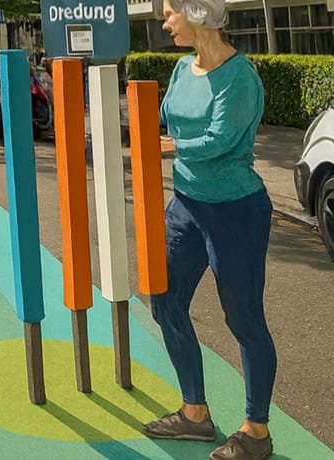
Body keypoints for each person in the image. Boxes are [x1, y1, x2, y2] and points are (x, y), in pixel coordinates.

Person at [140, 1, 275, 459]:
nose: (164, 22)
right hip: (186, 205)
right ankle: (194, 414)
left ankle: (256, 431)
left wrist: (170, 145)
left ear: (197, 13)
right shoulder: (182, 69)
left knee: (244, 319)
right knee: (165, 301)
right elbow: (162, 117)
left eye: (170, 13)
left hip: (236, 210)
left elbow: (219, 141)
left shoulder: (240, 78)